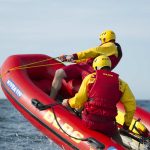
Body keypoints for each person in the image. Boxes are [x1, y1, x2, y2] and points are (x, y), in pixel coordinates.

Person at [62, 55, 136, 146]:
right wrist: (126, 126)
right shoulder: (122, 84)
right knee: (117, 136)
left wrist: (68, 102)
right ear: (109, 67)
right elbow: (131, 106)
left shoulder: (90, 78)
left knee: (73, 106)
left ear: (96, 67)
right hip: (108, 125)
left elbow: (79, 100)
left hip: (90, 122)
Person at [50, 30, 122, 99]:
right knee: (59, 72)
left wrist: (73, 56)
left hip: (92, 71)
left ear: (104, 38)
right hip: (84, 67)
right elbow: (88, 59)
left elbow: (92, 51)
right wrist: (71, 59)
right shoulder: (107, 50)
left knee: (59, 73)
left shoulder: (110, 46)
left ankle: (52, 99)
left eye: (101, 40)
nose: (100, 42)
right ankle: (50, 100)